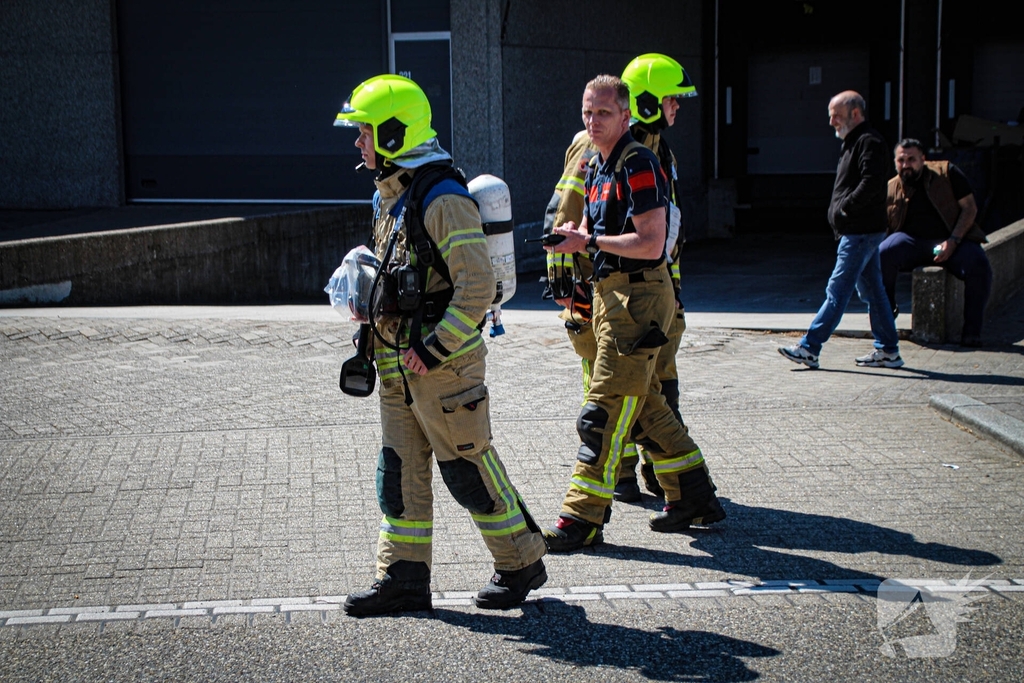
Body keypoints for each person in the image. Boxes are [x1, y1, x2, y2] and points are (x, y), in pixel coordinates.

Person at [333, 74, 547, 615]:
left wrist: (431, 349)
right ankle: (403, 578)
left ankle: (522, 562)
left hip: (440, 364)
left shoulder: (443, 199)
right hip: (396, 361)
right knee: (398, 473)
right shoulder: (391, 194)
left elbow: (477, 286)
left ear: (394, 132)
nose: (358, 143)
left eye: (365, 133)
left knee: (467, 469)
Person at [543, 74, 720, 552]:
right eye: (587, 112)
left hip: (639, 300)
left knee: (600, 413)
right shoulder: (597, 163)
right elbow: (597, 223)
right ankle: (694, 495)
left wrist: (590, 240)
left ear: (625, 115)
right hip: (609, 296)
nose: (593, 121)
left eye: (603, 113)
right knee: (643, 406)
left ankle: (582, 518)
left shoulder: (638, 161)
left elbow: (651, 242)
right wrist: (574, 238)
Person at [778, 90, 904, 370]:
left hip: (860, 233)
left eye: (836, 115)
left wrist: (845, 208)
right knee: (874, 292)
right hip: (860, 232)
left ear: (855, 114)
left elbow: (872, 183)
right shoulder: (853, 141)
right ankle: (889, 350)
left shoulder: (869, 142)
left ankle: (810, 347)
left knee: (837, 291)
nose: (832, 121)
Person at [880, 139, 992, 347]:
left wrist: (953, 241)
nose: (906, 165)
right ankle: (887, 312)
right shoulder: (891, 187)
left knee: (978, 264)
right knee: (883, 253)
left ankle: (971, 332)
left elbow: (970, 208)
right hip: (913, 242)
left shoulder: (947, 173)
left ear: (923, 159)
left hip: (952, 239)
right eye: (901, 160)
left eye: (911, 159)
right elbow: (884, 225)